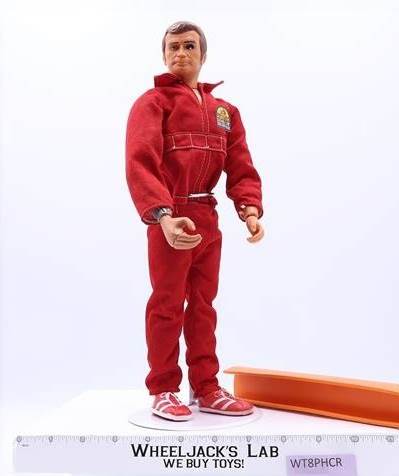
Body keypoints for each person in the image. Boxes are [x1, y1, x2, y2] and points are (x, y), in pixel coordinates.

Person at [126, 21, 264, 421]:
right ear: (163, 55)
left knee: (203, 305)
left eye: (189, 46)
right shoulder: (153, 103)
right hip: (172, 217)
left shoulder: (225, 112)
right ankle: (163, 388)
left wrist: (249, 208)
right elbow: (140, 162)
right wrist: (163, 216)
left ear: (203, 55)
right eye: (173, 47)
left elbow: (240, 163)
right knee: (167, 303)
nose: (181, 53)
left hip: (207, 216)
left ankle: (206, 386)